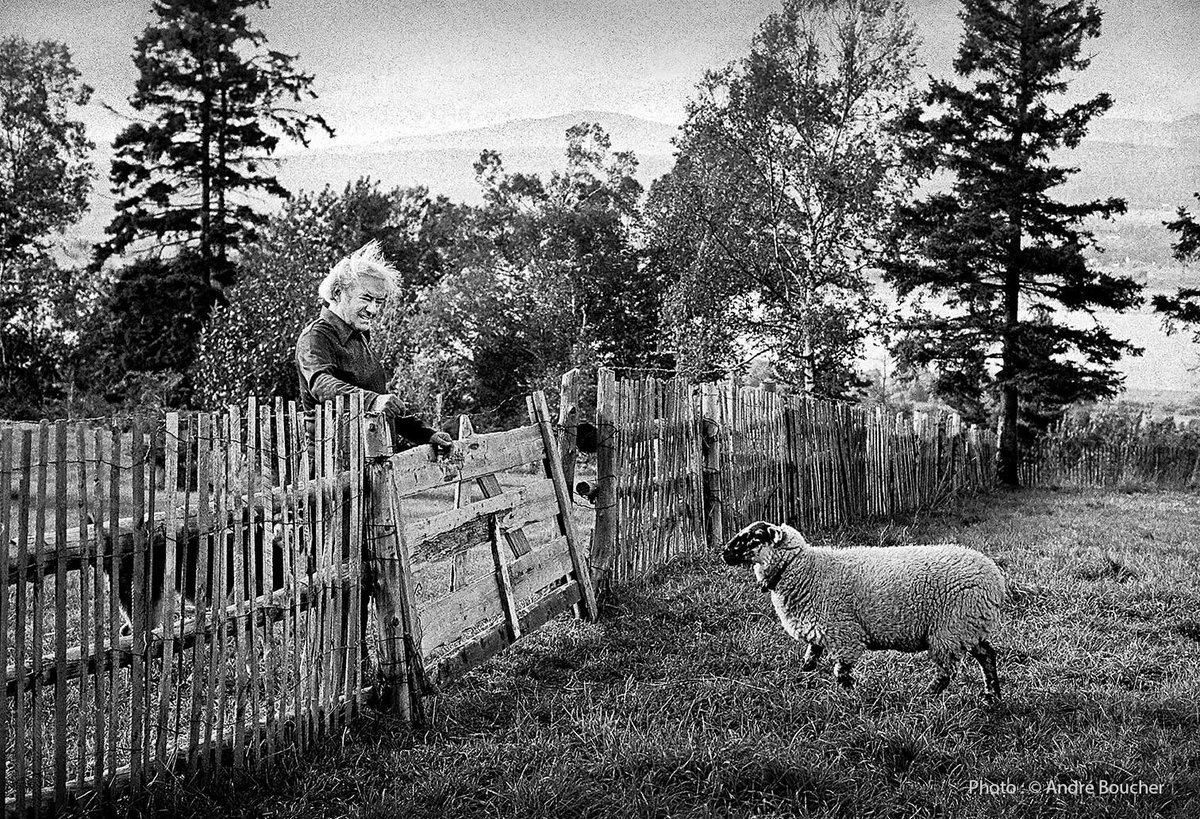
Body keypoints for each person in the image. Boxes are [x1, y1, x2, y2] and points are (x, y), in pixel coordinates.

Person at [295, 239, 455, 457]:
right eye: (367, 299)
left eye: (379, 302)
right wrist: (374, 401)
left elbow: (382, 403)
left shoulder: (358, 338)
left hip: (369, 459)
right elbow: (321, 384)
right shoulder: (316, 336)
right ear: (339, 294)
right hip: (330, 467)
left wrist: (425, 434)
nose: (373, 310)